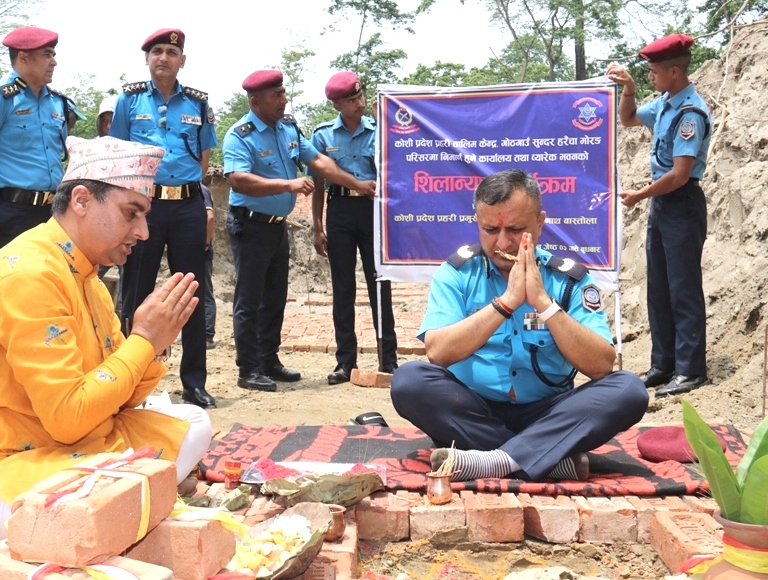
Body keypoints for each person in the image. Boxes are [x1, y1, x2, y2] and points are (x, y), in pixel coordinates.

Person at [0, 136, 213, 540]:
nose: (145, 232)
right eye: (131, 213)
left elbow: (123, 399)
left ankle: (130, 497)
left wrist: (152, 344)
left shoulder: (89, 276)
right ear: (81, 200)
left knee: (195, 421)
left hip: (89, 438)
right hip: (22, 456)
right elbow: (66, 420)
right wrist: (144, 340)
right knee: (100, 499)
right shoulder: (30, 273)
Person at [390, 170, 648, 482]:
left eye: (515, 230)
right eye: (489, 229)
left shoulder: (568, 278)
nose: (502, 242)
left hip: (551, 414)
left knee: (629, 390)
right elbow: (438, 353)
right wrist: (506, 302)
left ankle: (491, 462)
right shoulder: (456, 272)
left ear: (539, 223)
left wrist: (544, 303)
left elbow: (601, 367)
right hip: (474, 412)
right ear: (477, 222)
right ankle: (546, 460)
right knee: (409, 381)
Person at [223, 69, 376, 392]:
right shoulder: (240, 134)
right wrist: (288, 184)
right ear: (256, 101)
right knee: (249, 299)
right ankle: (248, 369)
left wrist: (358, 185)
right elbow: (237, 179)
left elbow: (320, 162)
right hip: (250, 224)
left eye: (282, 92)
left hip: (277, 227)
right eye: (276, 95)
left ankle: (269, 359)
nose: (284, 99)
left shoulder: (287, 128)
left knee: (275, 297)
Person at [110, 28, 217, 408]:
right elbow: (119, 154)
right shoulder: (128, 100)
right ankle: (128, 380)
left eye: (171, 52)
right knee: (135, 290)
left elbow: (203, 160)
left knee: (190, 292)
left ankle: (194, 382)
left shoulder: (197, 104)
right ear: (147, 58)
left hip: (187, 206)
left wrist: (201, 203)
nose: (163, 58)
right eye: (156, 51)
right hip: (146, 207)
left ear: (182, 60)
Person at [607, 34, 711, 397]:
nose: (650, 76)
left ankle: (691, 370)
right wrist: (630, 89)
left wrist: (640, 195)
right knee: (659, 289)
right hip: (663, 205)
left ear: (674, 71)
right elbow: (630, 119)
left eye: (652, 72)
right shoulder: (666, 104)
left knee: (683, 289)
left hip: (681, 202)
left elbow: (680, 174)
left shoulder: (690, 114)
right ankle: (663, 364)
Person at [309, 71, 397, 384]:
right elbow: (318, 184)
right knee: (343, 288)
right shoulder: (322, 136)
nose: (358, 103)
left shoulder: (380, 129)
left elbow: (396, 168)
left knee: (379, 284)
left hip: (373, 211)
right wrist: (318, 226)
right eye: (350, 100)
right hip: (341, 210)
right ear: (336, 105)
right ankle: (345, 362)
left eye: (359, 96)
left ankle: (389, 360)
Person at [0, 26, 68, 248]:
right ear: (24, 58)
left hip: (52, 213)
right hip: (11, 212)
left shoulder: (57, 102)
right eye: (47, 54)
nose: (54, 62)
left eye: (54, 55)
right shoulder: (5, 99)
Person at [202, 183, 216, 349]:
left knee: (205, 291)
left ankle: (207, 335)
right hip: (193, 248)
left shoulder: (201, 190)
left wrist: (205, 243)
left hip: (201, 250)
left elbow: (210, 218)